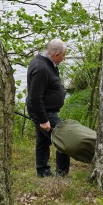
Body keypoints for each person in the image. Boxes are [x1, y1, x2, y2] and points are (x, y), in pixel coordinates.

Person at [26, 39, 70, 178]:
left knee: (43, 141)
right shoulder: (41, 68)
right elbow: (35, 97)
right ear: (56, 55)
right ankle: (62, 174)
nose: (64, 58)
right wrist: (44, 119)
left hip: (45, 111)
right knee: (64, 139)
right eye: (63, 55)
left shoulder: (45, 62)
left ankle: (43, 171)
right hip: (45, 112)